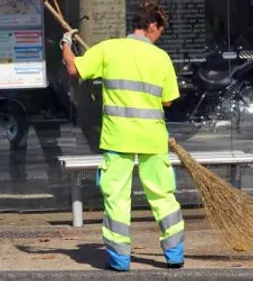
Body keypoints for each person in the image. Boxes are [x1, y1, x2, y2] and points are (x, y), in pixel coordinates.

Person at [59, 2, 184, 271]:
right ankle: (174, 255)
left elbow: (73, 69)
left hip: (118, 139)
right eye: (160, 30)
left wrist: (66, 43)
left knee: (116, 198)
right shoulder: (161, 58)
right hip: (152, 139)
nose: (159, 36)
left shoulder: (109, 49)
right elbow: (169, 101)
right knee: (163, 196)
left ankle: (119, 259)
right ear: (152, 26)